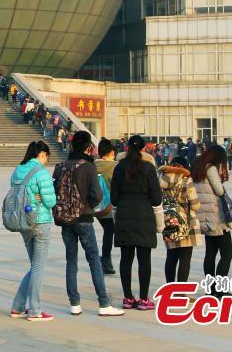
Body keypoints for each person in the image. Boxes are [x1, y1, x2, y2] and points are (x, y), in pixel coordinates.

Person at [53, 131, 125, 317]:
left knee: (71, 260)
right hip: (84, 218)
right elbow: (97, 195)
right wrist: (88, 205)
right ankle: (103, 303)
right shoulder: (88, 167)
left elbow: (56, 193)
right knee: (93, 259)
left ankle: (74, 303)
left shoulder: (60, 166)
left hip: (65, 220)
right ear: (88, 147)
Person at [111, 134, 162, 311]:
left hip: (124, 216)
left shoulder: (119, 168)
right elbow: (156, 198)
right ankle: (143, 299)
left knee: (126, 258)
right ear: (143, 149)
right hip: (143, 217)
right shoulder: (148, 168)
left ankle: (127, 298)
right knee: (144, 259)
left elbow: (114, 199)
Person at [9, 141, 57, 321]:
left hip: (23, 223)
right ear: (42, 154)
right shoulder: (42, 173)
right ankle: (35, 310)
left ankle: (18, 306)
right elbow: (51, 202)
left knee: (34, 266)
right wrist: (41, 197)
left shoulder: (17, 171)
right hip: (40, 222)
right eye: (46, 157)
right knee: (38, 267)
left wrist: (35, 196)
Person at [191, 144, 232, 297]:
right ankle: (220, 290)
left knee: (210, 253)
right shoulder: (211, 168)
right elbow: (219, 191)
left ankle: (211, 288)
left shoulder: (197, 167)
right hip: (216, 217)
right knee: (227, 254)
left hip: (204, 216)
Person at [157, 157, 202, 284]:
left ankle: (169, 288)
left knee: (171, 257)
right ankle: (180, 293)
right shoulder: (186, 180)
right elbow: (194, 204)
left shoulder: (161, 181)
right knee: (185, 259)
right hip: (186, 223)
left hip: (169, 222)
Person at [95, 138, 118, 275]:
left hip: (95, 206)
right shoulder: (115, 166)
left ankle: (103, 259)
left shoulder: (93, 165)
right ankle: (105, 260)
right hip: (109, 206)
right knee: (109, 232)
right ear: (111, 152)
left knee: (107, 231)